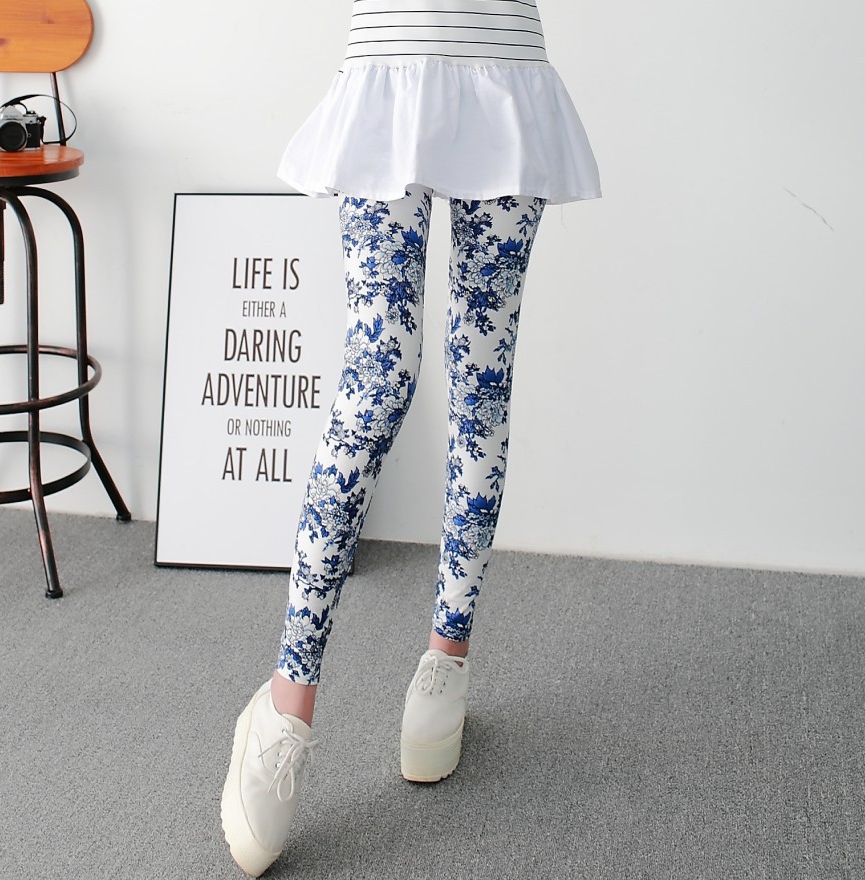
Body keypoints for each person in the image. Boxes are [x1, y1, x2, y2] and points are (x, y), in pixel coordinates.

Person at [221, 1, 600, 875]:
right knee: (377, 382)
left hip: (504, 74)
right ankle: (285, 703)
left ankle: (447, 658)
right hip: (391, 71)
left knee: (482, 383)